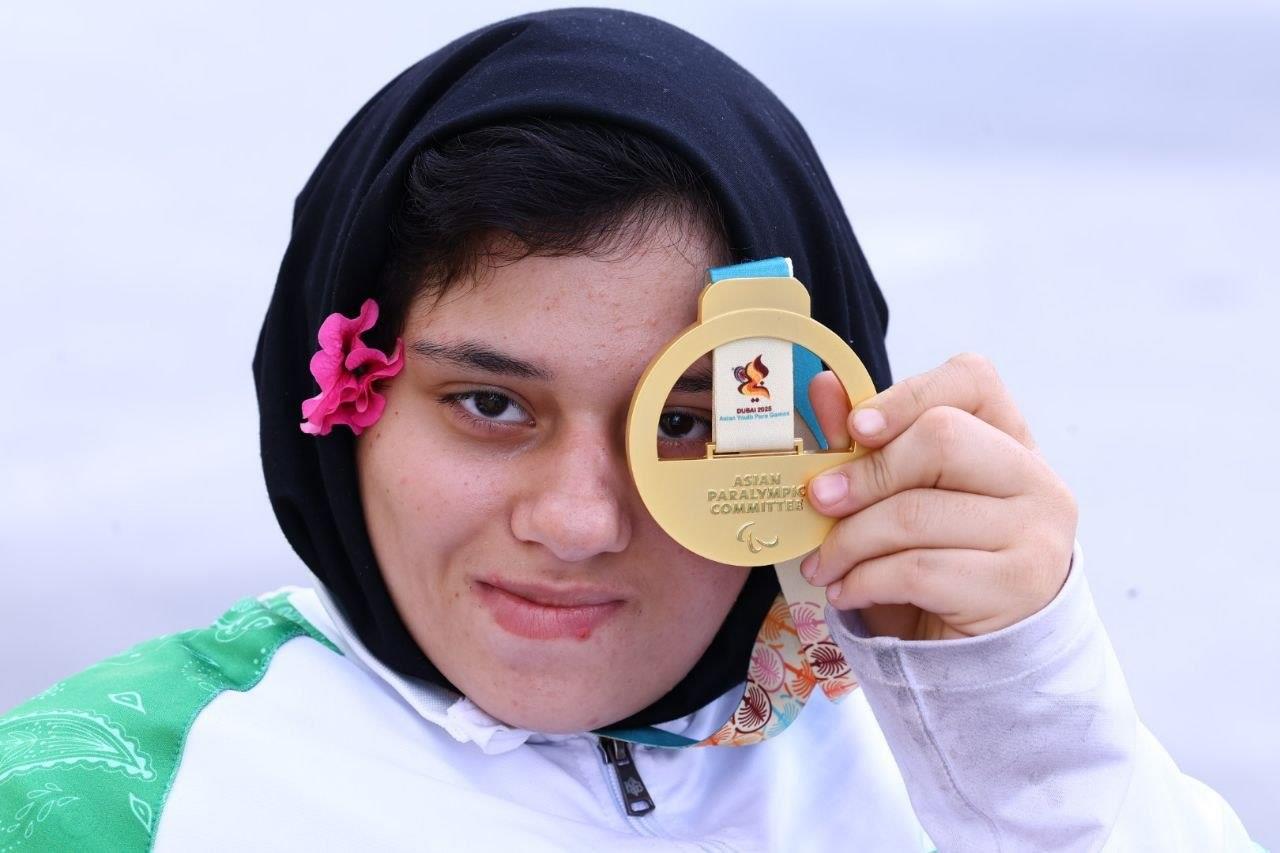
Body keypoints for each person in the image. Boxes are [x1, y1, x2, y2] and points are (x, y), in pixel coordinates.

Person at [0, 8, 1263, 851]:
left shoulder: (964, 750)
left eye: (696, 420)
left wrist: (1028, 729)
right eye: (490, 404)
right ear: (343, 412)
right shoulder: (103, 799)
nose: (578, 520)